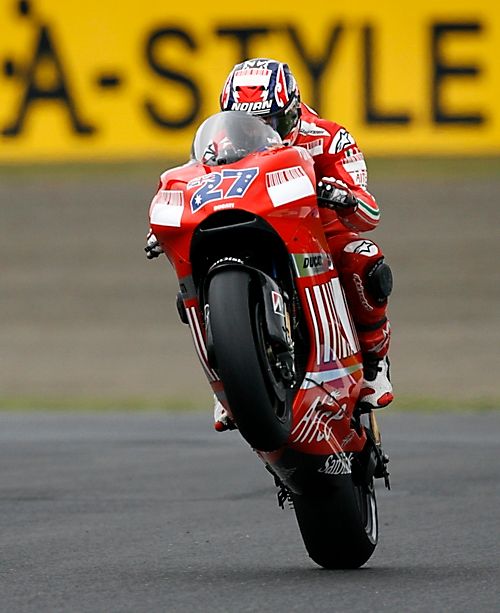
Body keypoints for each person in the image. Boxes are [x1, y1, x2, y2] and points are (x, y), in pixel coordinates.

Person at [213, 57, 393, 429]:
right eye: (247, 124)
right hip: (252, 230)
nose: (260, 133)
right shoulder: (220, 143)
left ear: (293, 113)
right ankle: (230, 382)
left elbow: (369, 214)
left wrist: (342, 197)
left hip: (319, 236)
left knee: (365, 260)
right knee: (203, 271)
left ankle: (375, 363)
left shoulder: (328, 138)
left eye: (271, 123)